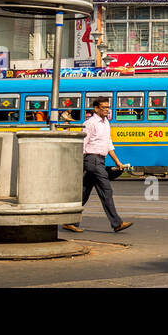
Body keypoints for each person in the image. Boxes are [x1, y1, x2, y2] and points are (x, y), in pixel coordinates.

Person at [64, 98, 132, 233]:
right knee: (106, 190)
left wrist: (117, 162)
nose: (107, 110)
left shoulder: (106, 123)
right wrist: (78, 164)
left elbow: (108, 144)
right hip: (92, 160)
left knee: (84, 193)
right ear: (96, 109)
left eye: (108, 107)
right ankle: (116, 223)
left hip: (100, 160)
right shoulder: (90, 123)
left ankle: (68, 221)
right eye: (104, 107)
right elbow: (83, 144)